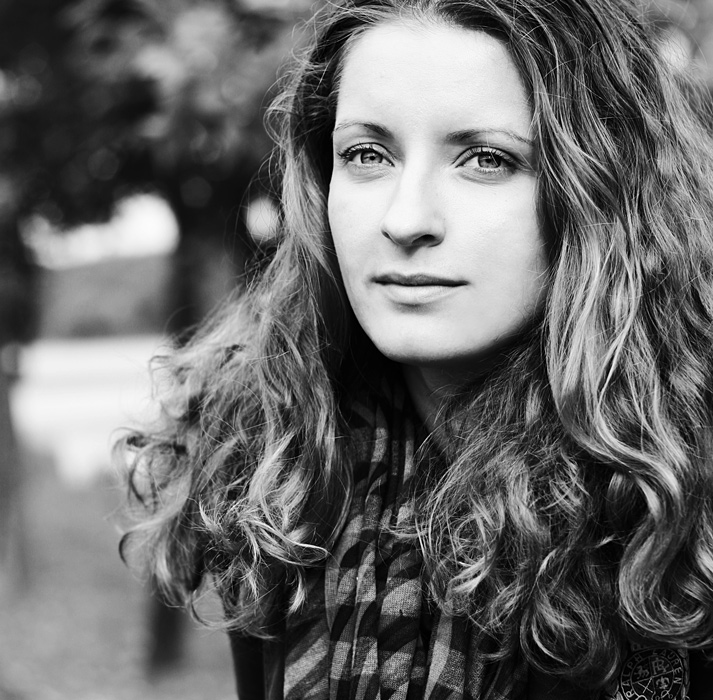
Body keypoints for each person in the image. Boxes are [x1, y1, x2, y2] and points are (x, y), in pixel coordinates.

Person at [118, 0, 713, 697]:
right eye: (366, 155)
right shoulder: (277, 469)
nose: (405, 220)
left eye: (485, 159)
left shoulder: (679, 492)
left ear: (601, 191)